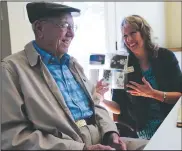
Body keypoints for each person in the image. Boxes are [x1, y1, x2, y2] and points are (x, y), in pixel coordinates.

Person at [1, 3, 148, 150]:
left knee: (161, 144)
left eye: (73, 27)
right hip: (69, 147)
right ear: (39, 28)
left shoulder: (72, 64)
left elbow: (96, 105)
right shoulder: (11, 70)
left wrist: (111, 134)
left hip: (102, 142)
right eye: (65, 25)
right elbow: (13, 138)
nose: (72, 34)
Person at [112, 15, 182, 140]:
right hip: (140, 133)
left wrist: (153, 93)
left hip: (171, 126)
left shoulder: (166, 56)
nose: (129, 39)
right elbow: (118, 108)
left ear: (144, 32)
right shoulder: (119, 62)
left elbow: (179, 96)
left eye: (133, 33)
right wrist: (99, 99)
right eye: (125, 35)